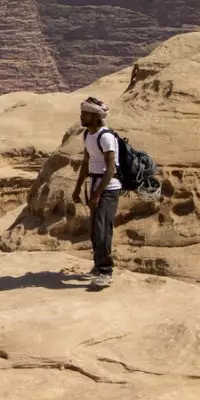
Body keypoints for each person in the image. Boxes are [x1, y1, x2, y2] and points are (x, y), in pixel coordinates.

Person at [72, 96, 121, 285]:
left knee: (103, 230)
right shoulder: (87, 135)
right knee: (94, 230)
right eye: (82, 113)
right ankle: (97, 267)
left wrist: (98, 194)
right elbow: (86, 163)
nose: (82, 117)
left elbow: (110, 169)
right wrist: (77, 189)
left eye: (86, 114)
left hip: (108, 188)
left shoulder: (106, 137)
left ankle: (106, 272)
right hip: (93, 185)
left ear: (96, 116)